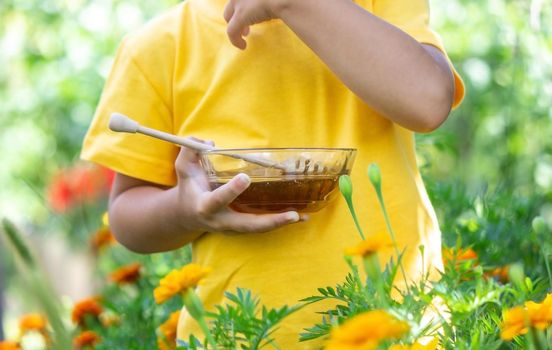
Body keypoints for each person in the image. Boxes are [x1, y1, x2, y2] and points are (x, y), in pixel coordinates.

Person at [82, 0, 465, 347]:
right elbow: (126, 216)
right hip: (237, 336)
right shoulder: (160, 45)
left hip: (398, 325)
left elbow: (428, 102)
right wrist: (184, 210)